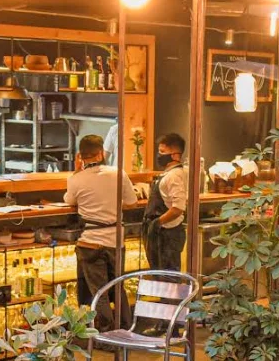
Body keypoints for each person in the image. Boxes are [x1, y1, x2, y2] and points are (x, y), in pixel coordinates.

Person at [64, 134, 135, 329]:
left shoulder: (77, 179)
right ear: (101, 153)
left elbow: (69, 201)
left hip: (91, 241)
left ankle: (106, 335)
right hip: (116, 240)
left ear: (80, 156)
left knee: (99, 292)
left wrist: (76, 173)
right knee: (118, 286)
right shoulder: (118, 173)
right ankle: (125, 328)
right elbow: (131, 202)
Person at [144, 133, 189, 272]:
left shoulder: (174, 176)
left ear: (175, 155)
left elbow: (178, 208)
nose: (159, 155)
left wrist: (157, 223)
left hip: (168, 235)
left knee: (168, 280)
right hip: (162, 233)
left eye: (163, 152)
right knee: (160, 278)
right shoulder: (170, 173)